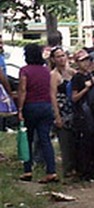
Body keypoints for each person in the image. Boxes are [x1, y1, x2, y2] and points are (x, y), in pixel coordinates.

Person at [17, 43, 58, 183]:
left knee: (28, 139)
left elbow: (23, 90)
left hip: (30, 106)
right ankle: (51, 170)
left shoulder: (25, 70)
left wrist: (20, 109)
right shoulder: (46, 70)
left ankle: (27, 170)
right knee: (45, 139)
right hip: (46, 106)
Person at [71, 48, 94, 181]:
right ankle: (85, 171)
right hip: (83, 114)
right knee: (84, 144)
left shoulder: (93, 76)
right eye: (83, 61)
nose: (86, 63)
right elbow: (74, 97)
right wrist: (86, 88)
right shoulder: (77, 78)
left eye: (88, 60)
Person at [50, 46, 77, 179]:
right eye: (58, 57)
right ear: (53, 60)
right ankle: (68, 169)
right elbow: (52, 96)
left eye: (63, 56)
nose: (61, 59)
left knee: (74, 140)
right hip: (62, 110)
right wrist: (57, 116)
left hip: (73, 110)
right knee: (65, 141)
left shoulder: (71, 72)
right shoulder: (54, 75)